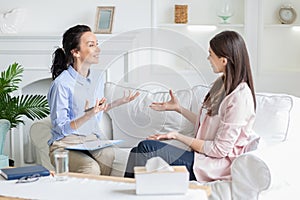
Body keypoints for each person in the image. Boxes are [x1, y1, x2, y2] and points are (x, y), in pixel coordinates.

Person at [124, 30, 260, 182]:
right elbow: (208, 124)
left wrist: (177, 136)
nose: (208, 58)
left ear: (224, 60)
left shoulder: (240, 98)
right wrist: (179, 109)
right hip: (202, 158)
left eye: (211, 54)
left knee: (146, 148)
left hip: (214, 167)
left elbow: (219, 150)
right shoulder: (222, 85)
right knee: (136, 151)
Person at [48, 24, 139, 175]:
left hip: (89, 139)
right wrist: (88, 115)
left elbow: (94, 110)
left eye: (97, 44)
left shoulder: (97, 77)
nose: (98, 49)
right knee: (91, 168)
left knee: (108, 154)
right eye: (91, 45)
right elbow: (60, 128)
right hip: (65, 143)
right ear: (76, 52)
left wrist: (118, 102)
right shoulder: (61, 84)